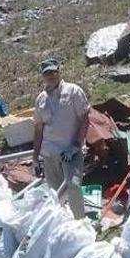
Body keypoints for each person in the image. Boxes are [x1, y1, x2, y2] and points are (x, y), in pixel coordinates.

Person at [32, 58, 90, 219]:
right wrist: (35, 157)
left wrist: (77, 144)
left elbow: (84, 118)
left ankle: (80, 222)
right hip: (49, 153)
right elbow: (38, 128)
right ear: (43, 76)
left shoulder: (73, 91)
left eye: (53, 72)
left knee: (73, 186)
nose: (50, 76)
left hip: (69, 150)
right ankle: (62, 225)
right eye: (47, 73)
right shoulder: (41, 99)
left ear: (59, 72)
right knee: (55, 193)